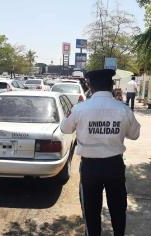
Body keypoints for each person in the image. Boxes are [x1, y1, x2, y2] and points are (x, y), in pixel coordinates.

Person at [60, 69, 141, 236]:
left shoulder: (80, 108)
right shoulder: (123, 109)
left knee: (91, 211)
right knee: (118, 208)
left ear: (89, 86)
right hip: (114, 165)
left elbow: (65, 128)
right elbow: (135, 134)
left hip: (90, 167)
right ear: (112, 85)